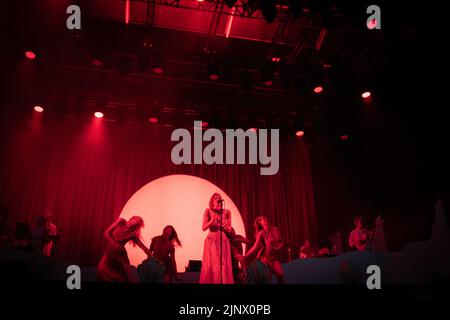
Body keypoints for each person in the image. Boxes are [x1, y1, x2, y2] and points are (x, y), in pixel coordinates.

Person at [97, 216, 151, 282]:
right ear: (132, 219)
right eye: (136, 221)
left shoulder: (132, 234)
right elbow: (106, 233)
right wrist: (114, 244)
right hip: (110, 251)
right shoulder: (121, 221)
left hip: (121, 254)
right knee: (101, 270)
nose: (135, 223)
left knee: (129, 277)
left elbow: (142, 246)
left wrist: (150, 253)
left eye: (137, 224)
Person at [238, 216, 284, 284]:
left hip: (274, 258)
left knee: (280, 275)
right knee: (265, 279)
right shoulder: (261, 233)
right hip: (264, 259)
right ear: (260, 223)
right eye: (262, 219)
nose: (265, 219)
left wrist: (278, 246)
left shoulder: (275, 229)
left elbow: (281, 242)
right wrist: (245, 256)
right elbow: (255, 247)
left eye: (265, 218)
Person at [199, 193, 234, 284]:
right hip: (212, 240)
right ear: (212, 200)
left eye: (219, 197)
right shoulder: (208, 211)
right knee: (215, 265)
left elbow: (230, 230)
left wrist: (226, 225)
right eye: (215, 197)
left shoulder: (226, 212)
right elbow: (203, 227)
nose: (218, 198)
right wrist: (212, 220)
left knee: (223, 265)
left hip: (223, 240)